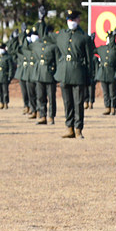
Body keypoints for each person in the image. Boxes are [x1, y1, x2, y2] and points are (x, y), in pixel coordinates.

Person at [48, 9, 95, 139]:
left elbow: (89, 59)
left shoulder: (84, 37)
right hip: (64, 72)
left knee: (78, 103)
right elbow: (45, 35)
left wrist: (90, 76)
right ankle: (69, 128)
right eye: (69, 20)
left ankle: (78, 128)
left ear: (78, 20)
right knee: (67, 102)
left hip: (78, 72)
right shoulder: (62, 34)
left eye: (74, 19)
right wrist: (41, 21)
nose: (71, 22)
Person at [95, 28, 116, 116]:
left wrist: (113, 36)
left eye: (110, 38)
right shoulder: (102, 48)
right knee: (105, 92)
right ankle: (107, 107)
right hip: (103, 73)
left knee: (112, 92)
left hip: (112, 72)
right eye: (108, 37)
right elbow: (93, 50)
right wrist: (91, 40)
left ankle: (113, 108)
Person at [0, 43, 15, 109]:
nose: (0, 50)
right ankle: (1, 102)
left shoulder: (7, 57)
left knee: (5, 91)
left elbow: (11, 68)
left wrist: (10, 76)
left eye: (2, 48)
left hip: (5, 75)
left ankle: (6, 103)